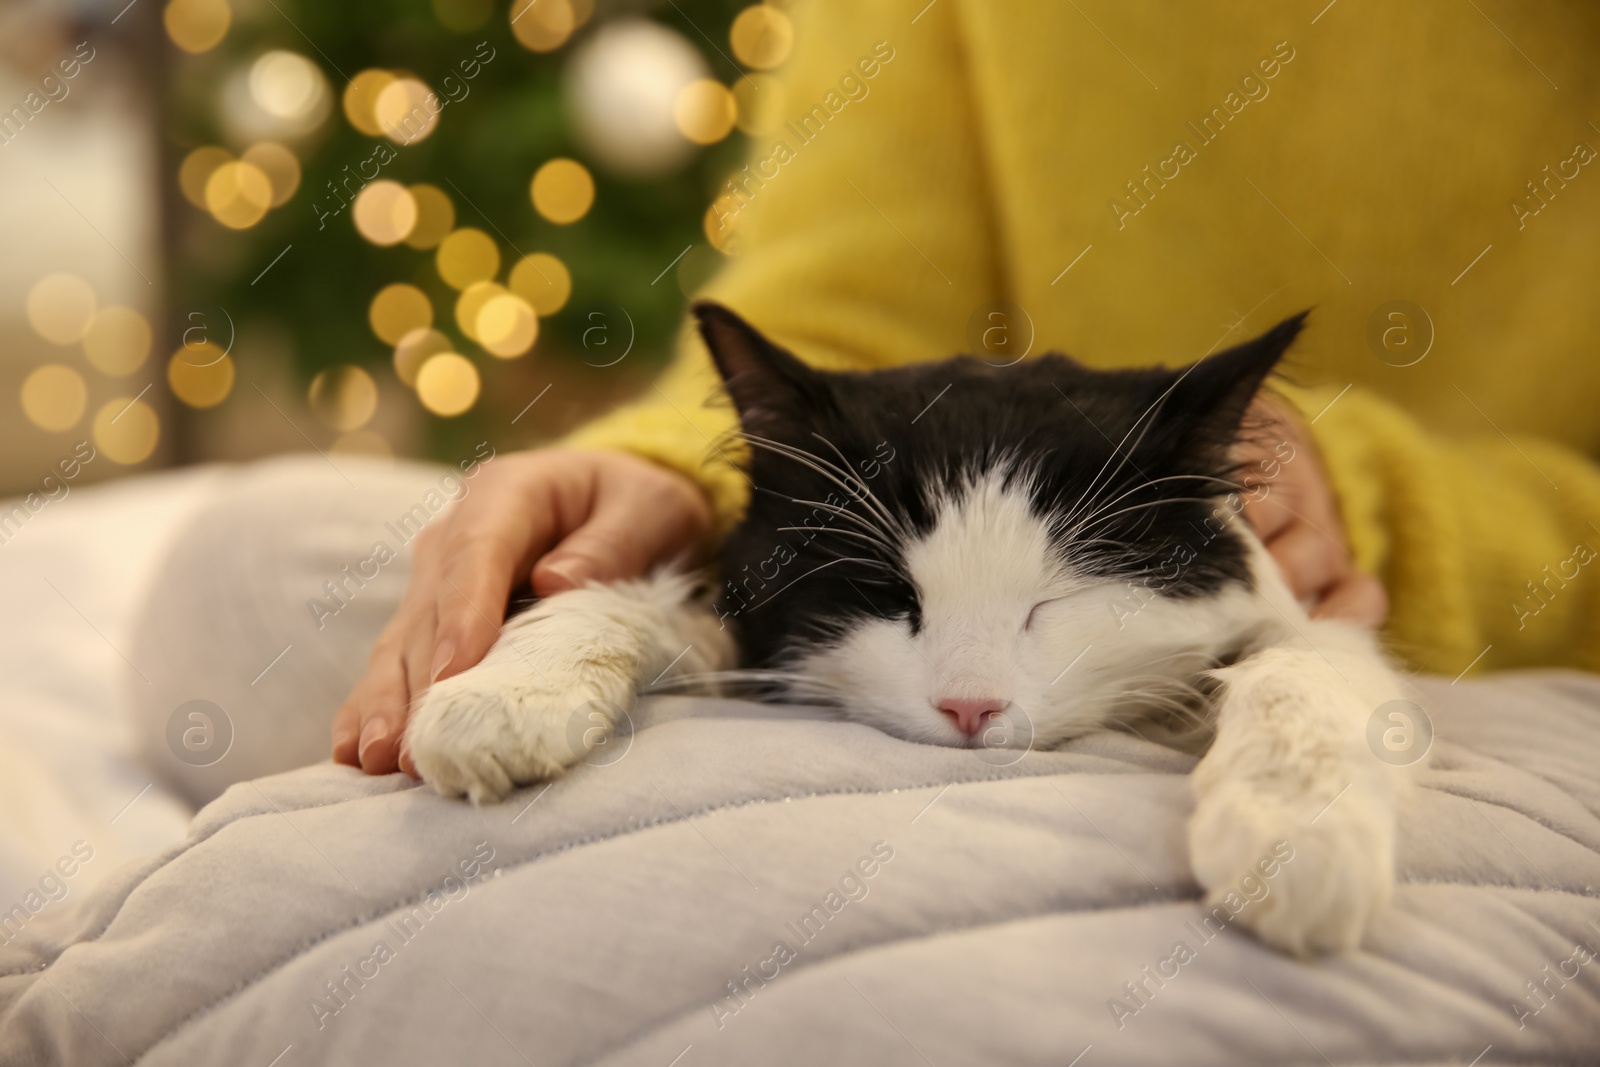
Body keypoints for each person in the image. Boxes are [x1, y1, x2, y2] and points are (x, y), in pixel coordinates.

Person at [334, 0, 1600, 776]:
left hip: (1487, 629)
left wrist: (1370, 503)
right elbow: (828, 315)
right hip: (915, 532)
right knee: (268, 563)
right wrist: (668, 473)